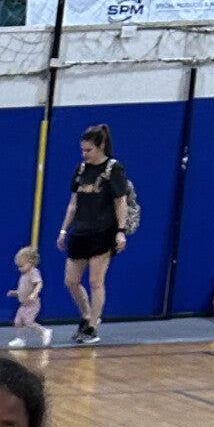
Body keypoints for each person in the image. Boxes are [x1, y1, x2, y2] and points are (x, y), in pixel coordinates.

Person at [55, 124, 132, 346]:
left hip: (103, 232)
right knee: (71, 280)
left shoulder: (114, 169)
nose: (84, 154)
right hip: (81, 231)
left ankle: (93, 327)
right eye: (82, 150)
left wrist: (121, 232)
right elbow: (73, 204)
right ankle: (86, 315)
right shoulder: (81, 169)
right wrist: (63, 230)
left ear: (101, 146)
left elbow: (120, 202)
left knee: (96, 282)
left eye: (88, 150)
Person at [8, 245, 49, 349]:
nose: (19, 269)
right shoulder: (24, 275)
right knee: (18, 321)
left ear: (30, 262)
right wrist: (15, 293)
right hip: (24, 304)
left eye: (21, 266)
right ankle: (20, 339)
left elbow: (39, 283)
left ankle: (44, 331)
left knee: (28, 321)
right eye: (18, 266)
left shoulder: (33, 272)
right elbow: (24, 290)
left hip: (33, 304)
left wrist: (34, 294)